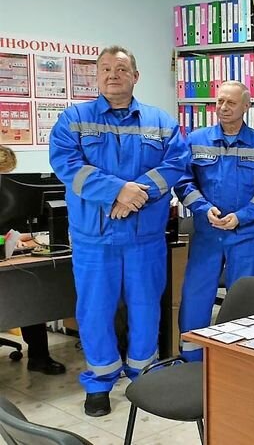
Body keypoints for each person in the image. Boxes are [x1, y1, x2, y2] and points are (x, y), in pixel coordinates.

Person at [49, 45, 189, 417]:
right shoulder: (73, 119)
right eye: (106, 69)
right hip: (94, 237)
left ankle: (143, 374)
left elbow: (177, 162)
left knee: (146, 307)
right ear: (96, 76)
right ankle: (99, 383)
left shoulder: (160, 121)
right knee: (95, 310)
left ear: (135, 76)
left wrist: (135, 194)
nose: (113, 75)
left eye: (122, 69)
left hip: (145, 236)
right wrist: (117, 191)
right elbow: (66, 164)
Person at [175, 81, 254, 362]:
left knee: (242, 298)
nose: (223, 108)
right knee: (196, 294)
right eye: (219, 101)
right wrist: (203, 208)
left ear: (246, 106)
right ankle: (191, 358)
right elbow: (183, 182)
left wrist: (241, 217)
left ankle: (235, 359)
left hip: (244, 235)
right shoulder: (196, 140)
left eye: (231, 103)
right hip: (207, 233)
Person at [0, 145, 65, 375]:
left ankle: (38, 357)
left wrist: (14, 238)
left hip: (11, 255)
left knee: (29, 293)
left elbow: (15, 227)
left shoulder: (9, 195)